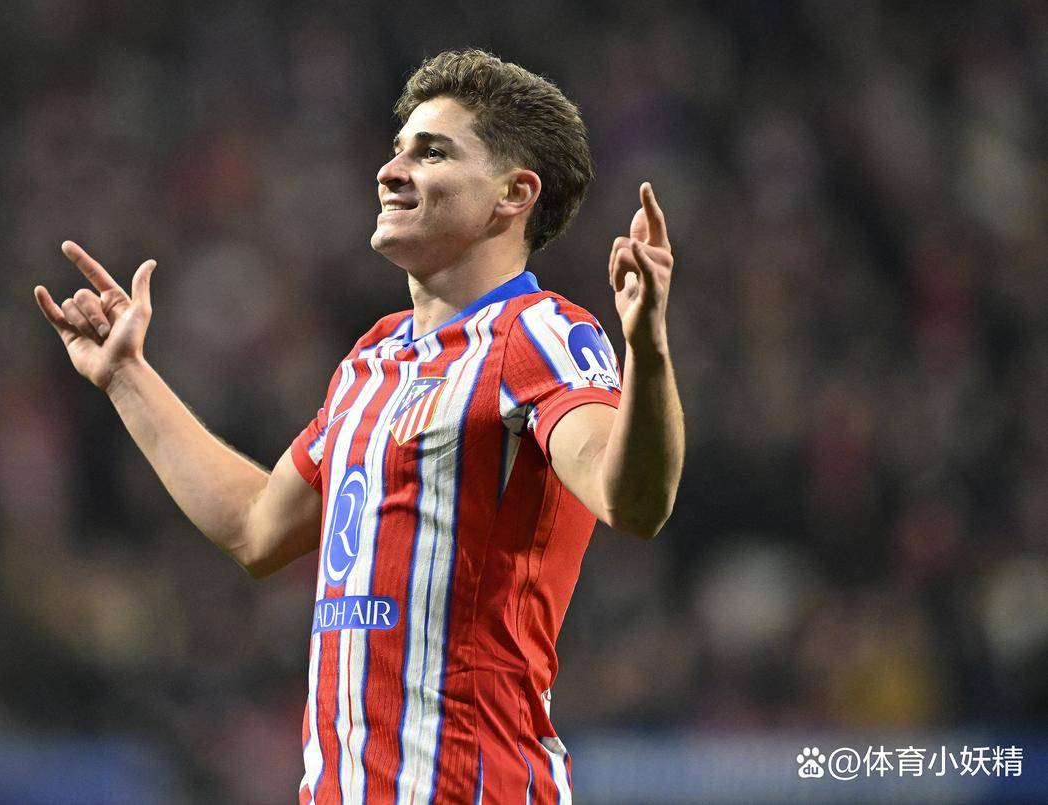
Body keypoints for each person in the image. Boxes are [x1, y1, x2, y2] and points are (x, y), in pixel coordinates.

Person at [34, 50, 683, 804]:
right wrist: (126, 375)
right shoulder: (372, 360)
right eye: (397, 148)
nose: (390, 170)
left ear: (514, 193)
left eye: (432, 152)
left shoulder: (538, 334)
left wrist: (647, 349)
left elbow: (631, 500)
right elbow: (256, 526)